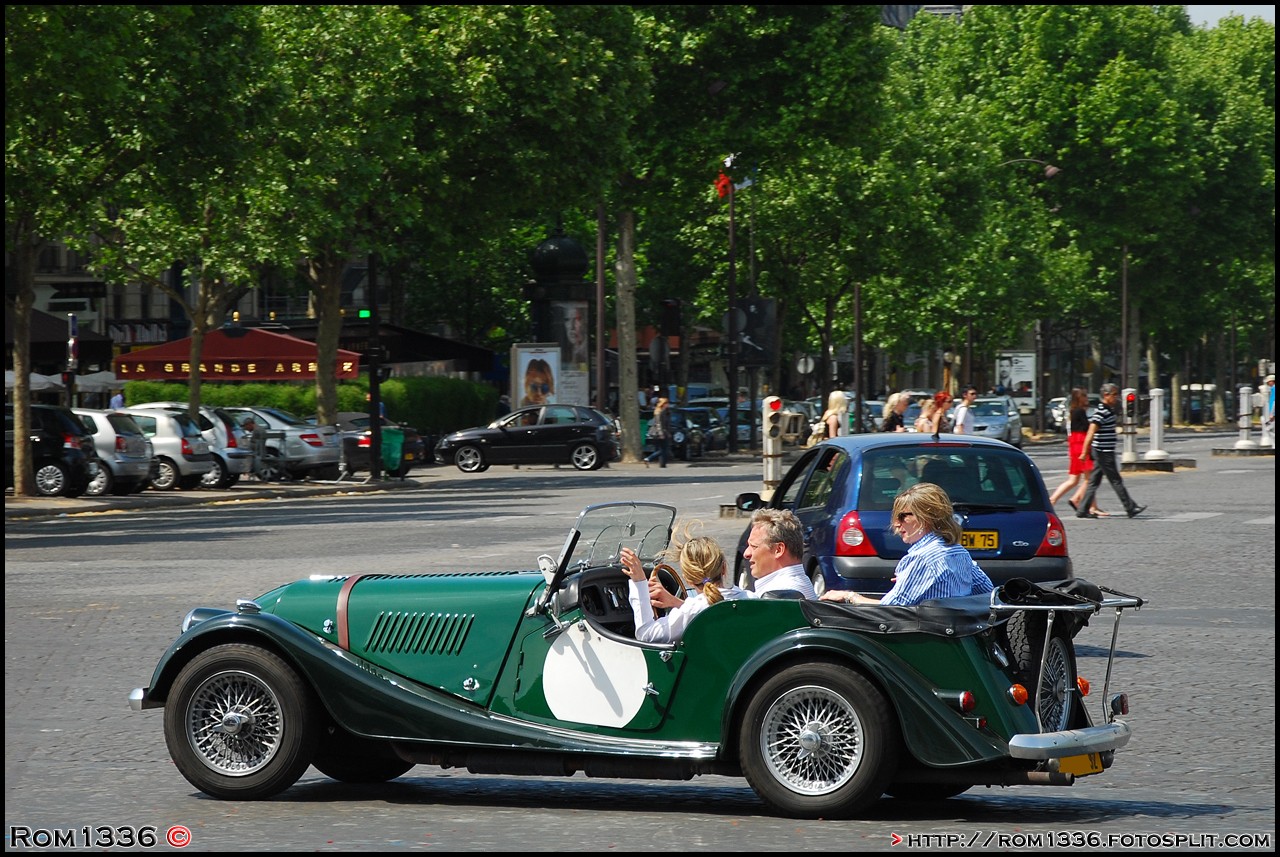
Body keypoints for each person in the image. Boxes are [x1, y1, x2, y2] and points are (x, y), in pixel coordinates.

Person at [820, 483, 994, 606]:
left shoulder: (922, 559)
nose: (896, 524)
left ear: (926, 518)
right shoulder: (958, 552)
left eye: (903, 516)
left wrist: (850, 596)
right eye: (896, 517)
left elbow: (890, 609)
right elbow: (987, 592)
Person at [619, 534, 748, 644]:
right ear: (724, 568)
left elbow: (646, 634)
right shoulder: (749, 598)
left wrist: (639, 582)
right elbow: (706, 607)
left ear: (688, 580)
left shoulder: (692, 610)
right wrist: (676, 603)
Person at [1076, 383, 1146, 519]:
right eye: (1114, 394)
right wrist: (1084, 451)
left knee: (1094, 482)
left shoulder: (1107, 410)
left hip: (1103, 450)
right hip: (1103, 451)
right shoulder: (1102, 412)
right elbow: (1091, 431)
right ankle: (1130, 507)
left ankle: (1082, 510)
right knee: (1116, 480)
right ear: (1105, 395)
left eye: (1116, 394)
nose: (1116, 397)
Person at [1048, 388, 1106, 516]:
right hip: (1080, 445)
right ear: (1079, 398)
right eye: (1084, 396)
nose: (1086, 398)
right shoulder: (1079, 411)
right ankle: (1081, 502)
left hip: (1074, 445)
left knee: (1074, 479)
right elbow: (1087, 428)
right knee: (1089, 479)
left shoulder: (1074, 411)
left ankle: (1052, 500)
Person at [741, 508, 819, 599]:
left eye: (754, 546)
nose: (746, 553)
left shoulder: (780, 594)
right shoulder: (797, 584)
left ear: (778, 550)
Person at [644, 397, 672, 468]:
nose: (668, 405)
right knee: (663, 449)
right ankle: (649, 458)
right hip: (659, 432)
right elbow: (659, 424)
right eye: (666, 403)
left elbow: (666, 424)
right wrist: (661, 433)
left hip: (663, 432)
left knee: (662, 449)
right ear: (663, 404)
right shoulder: (659, 412)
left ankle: (663, 464)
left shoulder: (665, 412)